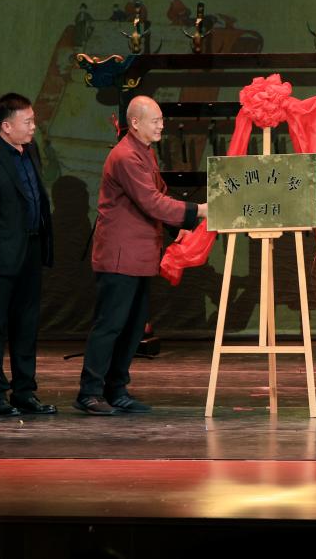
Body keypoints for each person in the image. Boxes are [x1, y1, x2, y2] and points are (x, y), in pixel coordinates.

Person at [75, 96, 207, 415]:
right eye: (156, 120)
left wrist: (179, 227)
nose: (162, 125)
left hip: (141, 255)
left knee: (134, 327)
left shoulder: (144, 151)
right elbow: (152, 202)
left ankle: (116, 388)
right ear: (135, 123)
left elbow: (158, 194)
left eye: (161, 120)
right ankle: (89, 392)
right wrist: (198, 211)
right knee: (110, 325)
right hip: (121, 256)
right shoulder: (125, 156)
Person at [0, 93, 56, 417]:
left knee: (27, 323)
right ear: (6, 126)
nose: (33, 127)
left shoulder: (29, 150)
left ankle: (24, 391)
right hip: (0, 255)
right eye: (27, 122)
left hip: (30, 248)